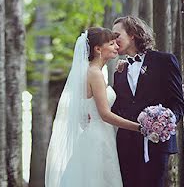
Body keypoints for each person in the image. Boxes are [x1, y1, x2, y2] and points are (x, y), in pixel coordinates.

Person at [44, 27, 142, 187]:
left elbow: (86, 110)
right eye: (111, 44)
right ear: (98, 49)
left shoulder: (92, 71)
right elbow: (105, 114)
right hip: (99, 139)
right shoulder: (94, 73)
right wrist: (139, 127)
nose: (117, 46)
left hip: (97, 134)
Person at [111, 15, 184, 187]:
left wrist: (165, 121)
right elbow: (118, 108)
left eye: (117, 35)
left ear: (132, 34)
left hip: (155, 145)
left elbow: (178, 103)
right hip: (125, 145)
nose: (113, 40)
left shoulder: (164, 61)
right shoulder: (119, 72)